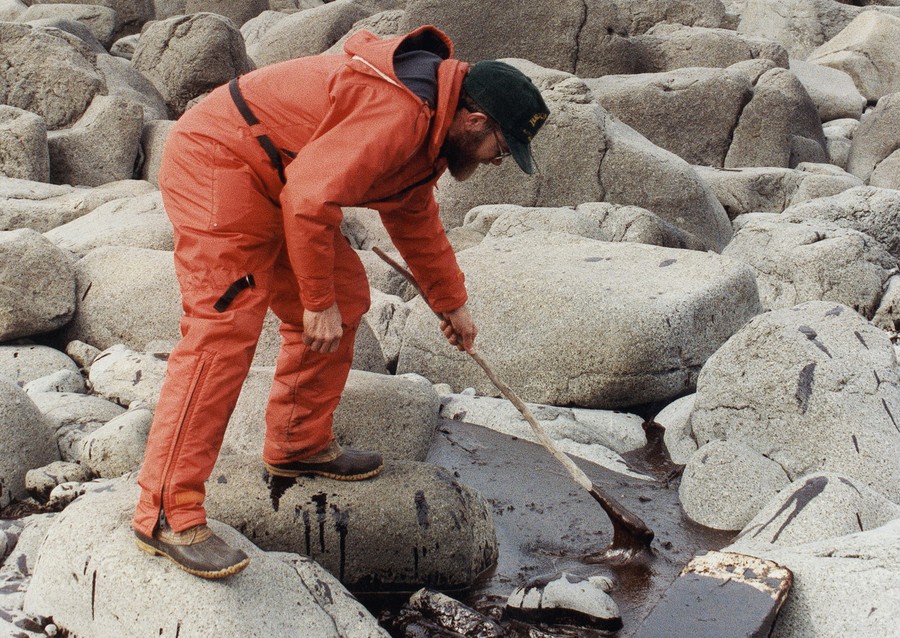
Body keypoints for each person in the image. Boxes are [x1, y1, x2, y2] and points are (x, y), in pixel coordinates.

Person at [131, 24, 549, 579]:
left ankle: (296, 443)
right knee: (224, 328)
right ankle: (165, 512)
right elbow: (308, 198)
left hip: (280, 178)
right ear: (475, 120)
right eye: (504, 146)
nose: (500, 160)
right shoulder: (398, 113)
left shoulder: (430, 123)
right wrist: (315, 301)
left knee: (348, 298)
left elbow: (413, 215)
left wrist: (451, 303)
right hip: (220, 159)